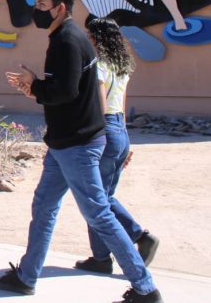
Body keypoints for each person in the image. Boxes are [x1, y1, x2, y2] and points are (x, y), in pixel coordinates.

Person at [0, 0, 163, 303]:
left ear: (60, 8)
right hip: (63, 142)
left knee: (99, 213)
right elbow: (66, 91)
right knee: (44, 207)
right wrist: (36, 87)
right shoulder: (64, 38)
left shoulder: (67, 42)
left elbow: (63, 92)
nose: (36, 11)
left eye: (42, 5)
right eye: (36, 4)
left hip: (77, 144)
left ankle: (145, 289)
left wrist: (34, 85)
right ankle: (26, 277)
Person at [75, 17, 159, 274]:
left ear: (97, 38)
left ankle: (136, 237)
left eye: (90, 36)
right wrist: (124, 139)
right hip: (119, 129)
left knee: (95, 198)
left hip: (104, 128)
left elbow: (100, 103)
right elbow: (121, 103)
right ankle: (101, 256)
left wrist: (94, 134)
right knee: (103, 196)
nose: (88, 40)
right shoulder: (122, 65)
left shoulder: (98, 65)